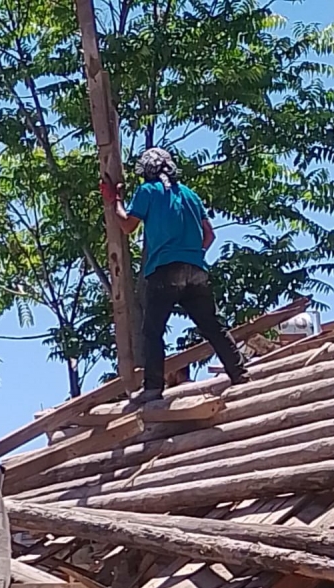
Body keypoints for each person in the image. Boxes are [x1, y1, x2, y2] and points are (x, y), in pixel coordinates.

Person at [101, 148, 246, 401]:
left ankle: (153, 388)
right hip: (196, 269)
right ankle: (239, 372)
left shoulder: (147, 191)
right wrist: (190, 254)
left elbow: (127, 225)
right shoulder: (190, 195)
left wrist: (115, 201)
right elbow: (209, 235)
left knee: (152, 331)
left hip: (165, 269)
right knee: (211, 325)